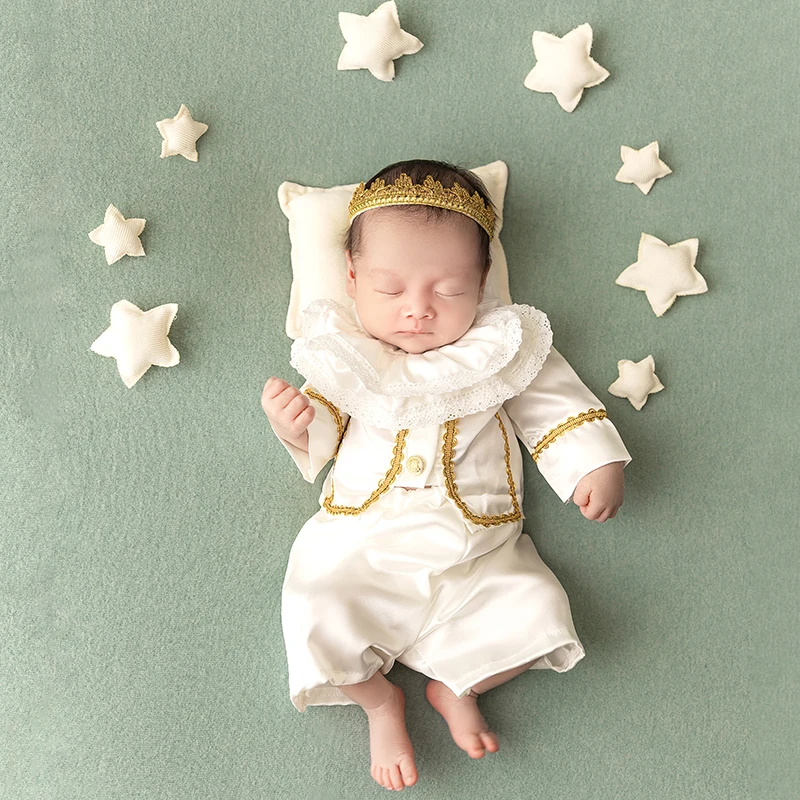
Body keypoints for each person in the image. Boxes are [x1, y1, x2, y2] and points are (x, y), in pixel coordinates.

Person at [261, 159, 631, 792]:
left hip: (476, 551)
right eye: (390, 289)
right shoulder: (347, 353)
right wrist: (295, 423)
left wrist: (594, 463)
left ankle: (454, 684)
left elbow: (555, 407)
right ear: (352, 280)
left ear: (482, 284)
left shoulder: (503, 348)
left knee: (537, 610)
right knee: (314, 609)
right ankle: (381, 703)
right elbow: (322, 424)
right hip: (361, 546)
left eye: (449, 290)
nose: (418, 310)